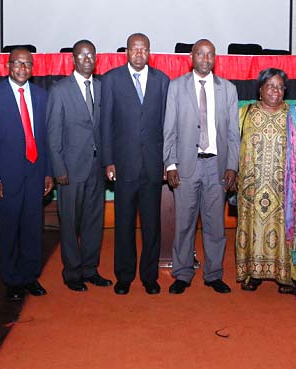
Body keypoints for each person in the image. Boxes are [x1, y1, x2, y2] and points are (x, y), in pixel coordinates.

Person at [162, 39, 238, 294]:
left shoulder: (228, 89)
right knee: (184, 223)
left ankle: (214, 274)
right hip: (185, 166)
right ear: (191, 56)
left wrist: (232, 166)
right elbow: (169, 129)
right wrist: (170, 163)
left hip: (216, 167)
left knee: (215, 224)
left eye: (210, 55)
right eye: (201, 54)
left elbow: (232, 134)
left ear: (215, 58)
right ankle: (182, 274)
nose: (206, 59)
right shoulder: (176, 87)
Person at [235, 68, 296, 294]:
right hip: (250, 188)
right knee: (251, 226)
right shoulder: (245, 113)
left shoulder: (294, 114)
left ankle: (284, 276)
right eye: (270, 85)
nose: (276, 90)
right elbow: (230, 142)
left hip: (284, 188)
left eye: (280, 86)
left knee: (284, 227)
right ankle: (252, 274)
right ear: (260, 89)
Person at [101, 33, 170, 295]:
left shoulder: (162, 81)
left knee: (152, 225)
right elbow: (105, 123)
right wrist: (108, 160)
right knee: (124, 224)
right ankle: (124, 276)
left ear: (149, 52)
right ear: (127, 52)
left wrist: (167, 161)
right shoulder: (111, 80)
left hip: (153, 166)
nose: (139, 53)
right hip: (124, 165)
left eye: (144, 49)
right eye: (134, 49)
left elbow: (167, 126)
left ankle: (149, 277)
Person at [0, 48, 54, 301]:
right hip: (6, 176)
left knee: (33, 229)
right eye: (18, 63)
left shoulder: (41, 96)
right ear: (8, 66)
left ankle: (30, 276)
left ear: (33, 68)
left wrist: (48, 173)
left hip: (36, 174)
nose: (22, 68)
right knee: (10, 231)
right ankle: (12, 280)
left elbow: (45, 139)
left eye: (27, 64)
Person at [47, 40, 112, 292]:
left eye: (91, 55)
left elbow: (105, 129)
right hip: (70, 170)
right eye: (82, 55)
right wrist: (59, 168)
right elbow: (53, 134)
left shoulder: (101, 87)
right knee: (70, 223)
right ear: (73, 59)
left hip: (97, 168)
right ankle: (72, 272)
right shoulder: (60, 90)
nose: (87, 59)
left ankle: (90, 269)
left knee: (94, 221)